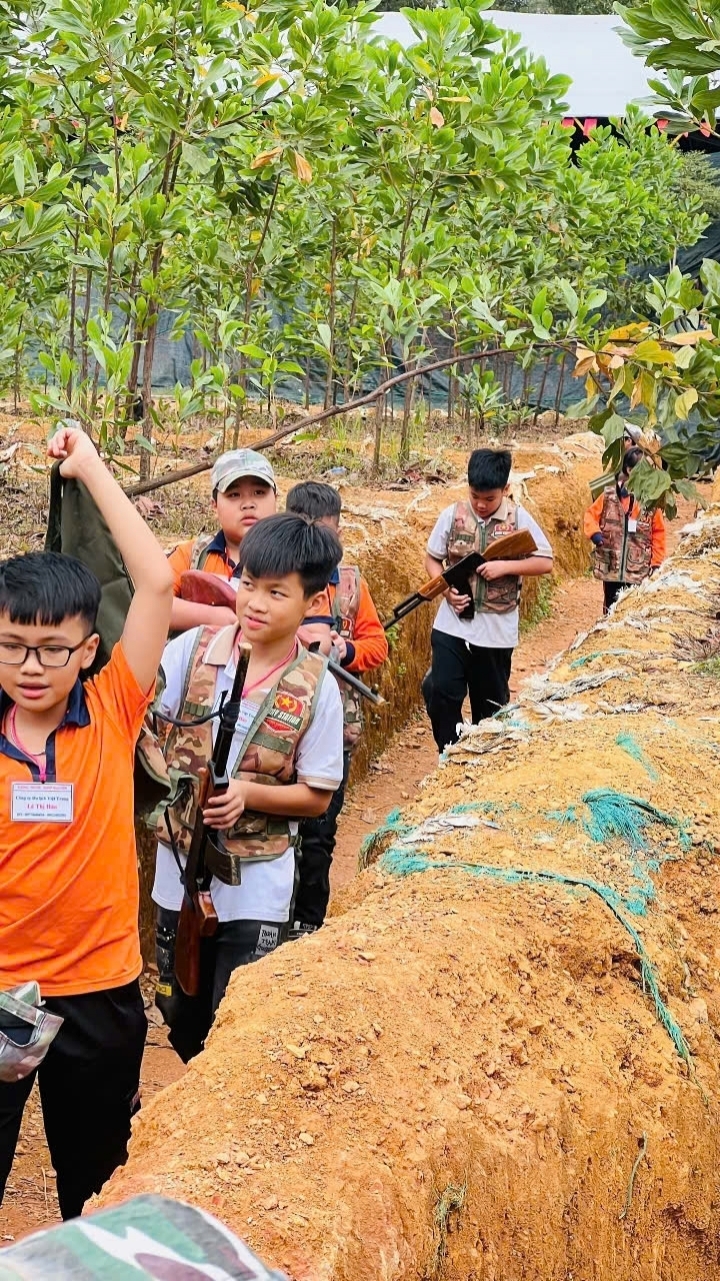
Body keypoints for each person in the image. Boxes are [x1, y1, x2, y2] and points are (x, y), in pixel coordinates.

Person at [0, 425, 174, 1220]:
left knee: (95, 1186)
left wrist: (90, 465)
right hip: (2, 991)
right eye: (11, 647)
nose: (30, 667)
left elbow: (156, 584)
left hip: (99, 993)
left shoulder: (111, 707)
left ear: (88, 650)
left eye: (50, 650)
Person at [152, 513, 345, 1063]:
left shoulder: (316, 688)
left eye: (276, 592)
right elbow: (144, 723)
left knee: (237, 1025)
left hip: (257, 882)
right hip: (177, 872)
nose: (255, 602)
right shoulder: (191, 652)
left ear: (312, 602)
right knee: (179, 1015)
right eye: (248, 584)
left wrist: (248, 795)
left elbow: (318, 795)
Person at [284, 481, 389, 939]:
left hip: (332, 731)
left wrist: (344, 651)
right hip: (276, 731)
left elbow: (377, 645)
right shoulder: (270, 580)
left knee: (319, 835)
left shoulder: (350, 584)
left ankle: (308, 925)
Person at [422, 448, 553, 753]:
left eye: (489, 499)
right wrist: (446, 591)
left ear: (505, 490)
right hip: (452, 626)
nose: (481, 505)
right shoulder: (452, 515)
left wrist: (505, 566)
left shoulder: (518, 518)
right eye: (475, 496)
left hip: (495, 632)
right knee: (440, 691)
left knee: (490, 706)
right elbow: (432, 558)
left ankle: (483, 762)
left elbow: (545, 561)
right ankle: (449, 753)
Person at [167, 449, 277, 634]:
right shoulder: (192, 555)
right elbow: (152, 603)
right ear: (214, 506)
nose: (248, 504)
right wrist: (214, 617)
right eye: (234, 495)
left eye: (259, 492)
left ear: (276, 499)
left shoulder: (296, 559)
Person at [584, 445, 666, 614]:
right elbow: (590, 516)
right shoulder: (609, 495)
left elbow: (658, 532)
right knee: (611, 608)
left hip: (638, 570)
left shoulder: (650, 501)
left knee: (633, 610)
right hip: (611, 567)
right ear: (629, 470)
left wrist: (656, 562)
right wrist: (596, 535)